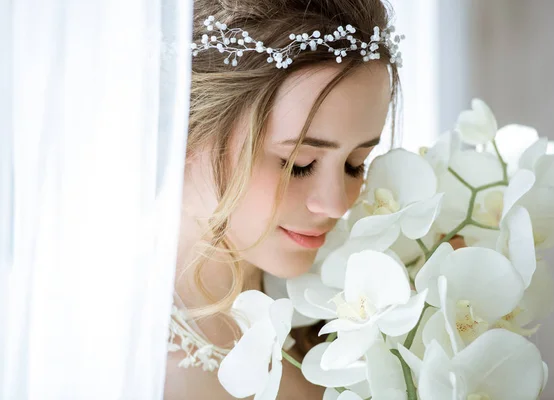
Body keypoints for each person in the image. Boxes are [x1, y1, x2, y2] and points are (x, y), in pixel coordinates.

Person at [163, 0, 401, 398]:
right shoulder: (126, 367)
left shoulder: (362, 315)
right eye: (299, 164)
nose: (337, 206)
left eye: (355, 164)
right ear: (188, 130)